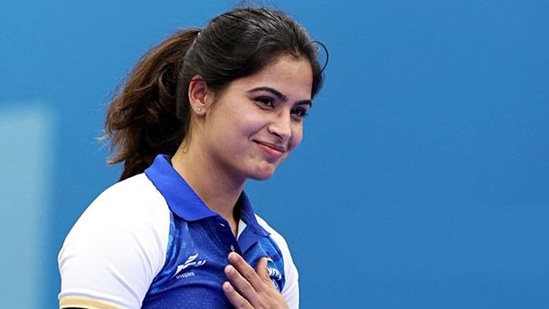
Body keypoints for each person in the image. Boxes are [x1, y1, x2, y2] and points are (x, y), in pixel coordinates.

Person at [58, 5, 326, 309]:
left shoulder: (275, 254)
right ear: (200, 95)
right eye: (265, 101)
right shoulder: (125, 221)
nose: (283, 129)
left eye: (298, 112)